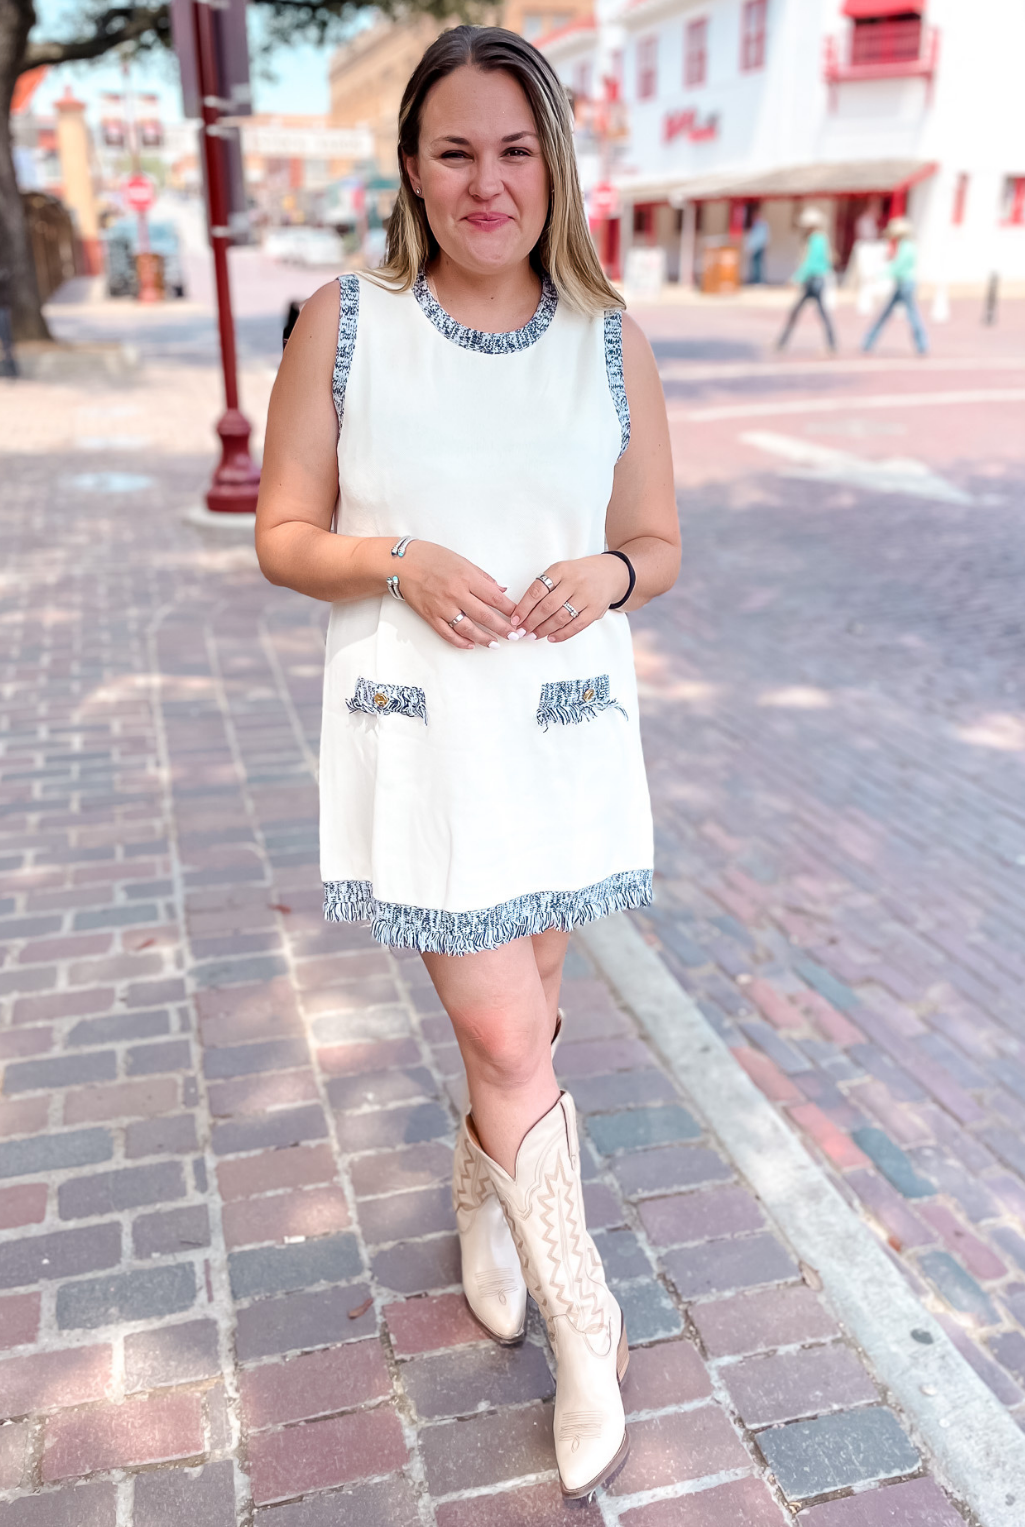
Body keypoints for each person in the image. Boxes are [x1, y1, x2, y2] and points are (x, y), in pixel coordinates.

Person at [255, 25, 680, 1502]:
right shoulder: (347, 321)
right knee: (512, 1036)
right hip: (425, 740)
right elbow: (283, 535)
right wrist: (400, 560)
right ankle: (589, 1322)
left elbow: (660, 542)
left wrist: (608, 579)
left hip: (559, 732)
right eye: (455, 150)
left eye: (515, 149)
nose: (487, 180)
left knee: (532, 1018)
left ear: (551, 164)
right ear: (412, 170)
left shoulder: (609, 337)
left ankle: (483, 1211)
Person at [861, 215, 928, 355]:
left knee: (910, 314)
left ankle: (922, 344)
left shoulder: (906, 246)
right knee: (892, 314)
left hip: (905, 283)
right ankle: (868, 342)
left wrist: (880, 275)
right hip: (902, 283)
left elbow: (898, 267)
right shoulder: (907, 245)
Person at [776, 206, 836, 353]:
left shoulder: (816, 239)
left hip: (814, 280)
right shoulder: (820, 238)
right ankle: (782, 342)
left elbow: (810, 263)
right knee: (804, 312)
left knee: (808, 312)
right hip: (815, 280)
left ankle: (782, 342)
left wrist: (796, 278)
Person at [745, 211, 769, 284]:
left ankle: (759, 280)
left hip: (758, 248)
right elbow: (752, 237)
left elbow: (761, 238)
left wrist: (754, 247)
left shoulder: (762, 225)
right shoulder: (755, 225)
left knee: (758, 265)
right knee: (754, 265)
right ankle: (754, 279)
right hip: (754, 248)